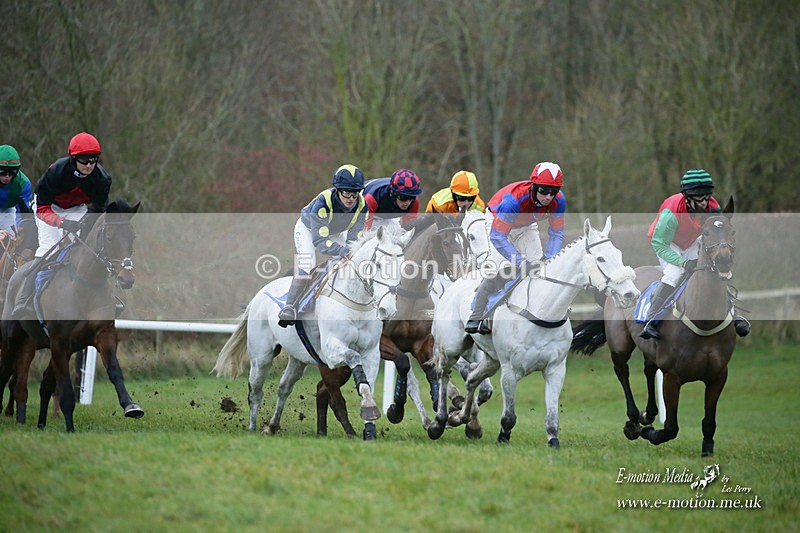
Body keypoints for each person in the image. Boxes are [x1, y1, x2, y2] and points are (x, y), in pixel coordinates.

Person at [11, 132, 111, 319]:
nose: (89, 165)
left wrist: (84, 223)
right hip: (49, 208)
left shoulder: (101, 178)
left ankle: (94, 298)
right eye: (83, 160)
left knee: (85, 248)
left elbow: (97, 209)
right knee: (49, 248)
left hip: (77, 209)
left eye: (93, 160)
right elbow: (41, 208)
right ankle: (24, 299)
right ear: (73, 159)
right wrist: (62, 223)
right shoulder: (56, 172)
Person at [640, 169, 750, 339]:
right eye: (698, 198)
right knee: (674, 274)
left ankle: (734, 316)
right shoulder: (671, 214)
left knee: (711, 270)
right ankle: (652, 319)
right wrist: (683, 262)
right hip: (668, 243)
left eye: (706, 196)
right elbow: (659, 244)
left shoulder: (713, 207)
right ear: (687, 197)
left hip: (692, 240)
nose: (704, 202)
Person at [464, 162, 567, 334]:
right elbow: (498, 237)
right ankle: (477, 315)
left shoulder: (559, 201)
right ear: (534, 186)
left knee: (541, 269)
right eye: (543, 190)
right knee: (501, 270)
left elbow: (557, 234)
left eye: (553, 191)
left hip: (526, 226)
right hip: (497, 224)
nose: (548, 197)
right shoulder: (513, 200)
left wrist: (550, 259)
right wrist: (520, 262)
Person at [277, 164, 368, 327]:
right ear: (338, 190)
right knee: (307, 264)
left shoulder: (362, 205)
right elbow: (320, 241)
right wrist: (342, 250)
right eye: (347, 192)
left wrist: (350, 252)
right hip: (309, 230)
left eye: (355, 193)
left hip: (337, 232)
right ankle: (289, 307)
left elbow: (354, 239)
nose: (351, 198)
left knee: (348, 262)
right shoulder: (323, 202)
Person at [0, 144, 37, 263]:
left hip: (9, 210)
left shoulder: (23, 184)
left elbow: (23, 215)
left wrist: (20, 233)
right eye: (3, 172)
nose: (7, 177)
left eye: (11, 173)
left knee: (13, 243)